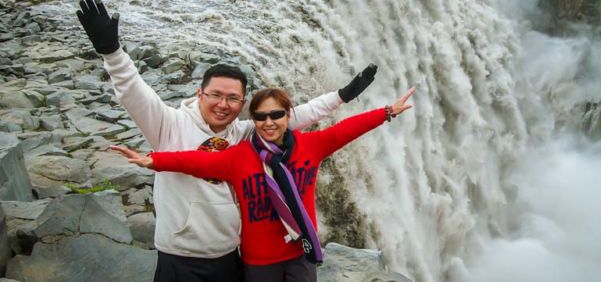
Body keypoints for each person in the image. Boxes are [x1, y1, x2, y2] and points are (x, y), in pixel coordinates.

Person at [76, 0, 378, 282]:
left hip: (229, 255)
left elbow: (288, 118)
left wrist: (341, 96)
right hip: (179, 256)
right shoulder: (167, 124)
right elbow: (133, 92)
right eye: (216, 95)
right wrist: (112, 52)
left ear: (242, 102)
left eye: (233, 98)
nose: (224, 104)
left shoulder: (244, 133)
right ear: (199, 94)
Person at [112, 86, 416, 282]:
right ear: (253, 120)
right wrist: (153, 159)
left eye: (276, 114)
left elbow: (347, 130)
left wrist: (386, 112)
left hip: (301, 254)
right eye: (260, 116)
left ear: (288, 116)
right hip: (259, 263)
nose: (269, 122)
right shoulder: (238, 157)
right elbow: (194, 161)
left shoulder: (312, 145)